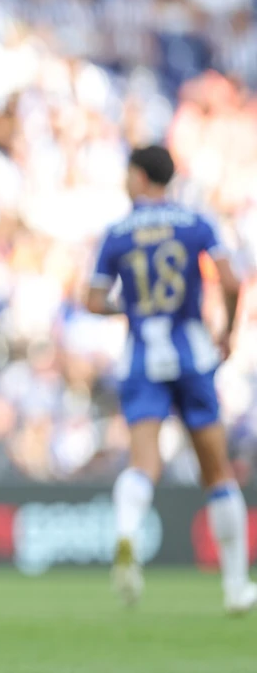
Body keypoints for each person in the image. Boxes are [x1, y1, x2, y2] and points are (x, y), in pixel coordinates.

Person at [86, 144, 256, 614]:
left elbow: (93, 300)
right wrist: (225, 332)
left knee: (144, 462)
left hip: (143, 354)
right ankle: (236, 587)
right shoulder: (196, 222)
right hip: (192, 351)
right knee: (217, 470)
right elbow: (230, 279)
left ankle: (125, 533)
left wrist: (134, 308)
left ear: (140, 177)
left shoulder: (117, 231)